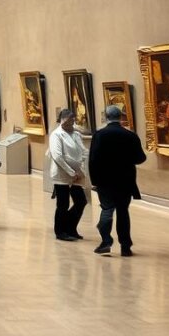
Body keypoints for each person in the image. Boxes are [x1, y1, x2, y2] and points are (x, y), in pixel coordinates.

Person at [89, 105, 147, 256]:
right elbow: (140, 158)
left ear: (106, 117)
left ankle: (106, 241)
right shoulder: (130, 135)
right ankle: (125, 246)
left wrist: (94, 180)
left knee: (107, 209)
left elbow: (93, 159)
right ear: (121, 117)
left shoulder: (100, 135)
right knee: (123, 212)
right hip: (125, 180)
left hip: (105, 180)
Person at [49, 108, 87, 242]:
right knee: (63, 204)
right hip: (62, 174)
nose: (71, 122)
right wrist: (71, 172)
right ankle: (60, 231)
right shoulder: (56, 135)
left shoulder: (76, 134)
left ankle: (70, 227)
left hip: (77, 173)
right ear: (62, 120)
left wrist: (79, 168)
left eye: (73, 119)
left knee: (81, 202)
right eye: (69, 119)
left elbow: (83, 151)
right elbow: (57, 156)